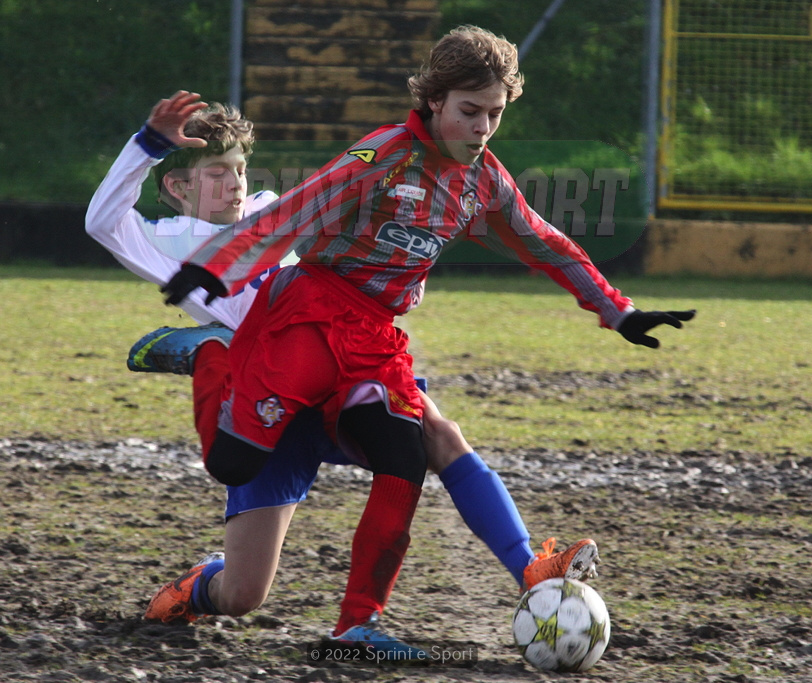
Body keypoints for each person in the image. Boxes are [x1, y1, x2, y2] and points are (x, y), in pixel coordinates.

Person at [160, 26, 694, 646]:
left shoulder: (484, 181)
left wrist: (619, 310)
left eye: (495, 113)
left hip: (371, 343)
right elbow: (298, 210)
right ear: (434, 100)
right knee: (240, 562)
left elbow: (545, 242)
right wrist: (218, 265)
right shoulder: (385, 155)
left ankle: (363, 624)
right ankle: (209, 361)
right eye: (470, 111)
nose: (483, 127)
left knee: (416, 448)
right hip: (304, 323)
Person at [86, 90, 601, 655]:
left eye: (239, 168)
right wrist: (149, 146)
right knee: (242, 594)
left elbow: (350, 233)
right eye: (215, 173)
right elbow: (103, 220)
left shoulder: (268, 208)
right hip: (268, 396)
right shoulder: (168, 244)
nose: (234, 183)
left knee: (437, 437)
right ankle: (198, 584)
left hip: (342, 365)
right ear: (177, 188)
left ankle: (527, 568)